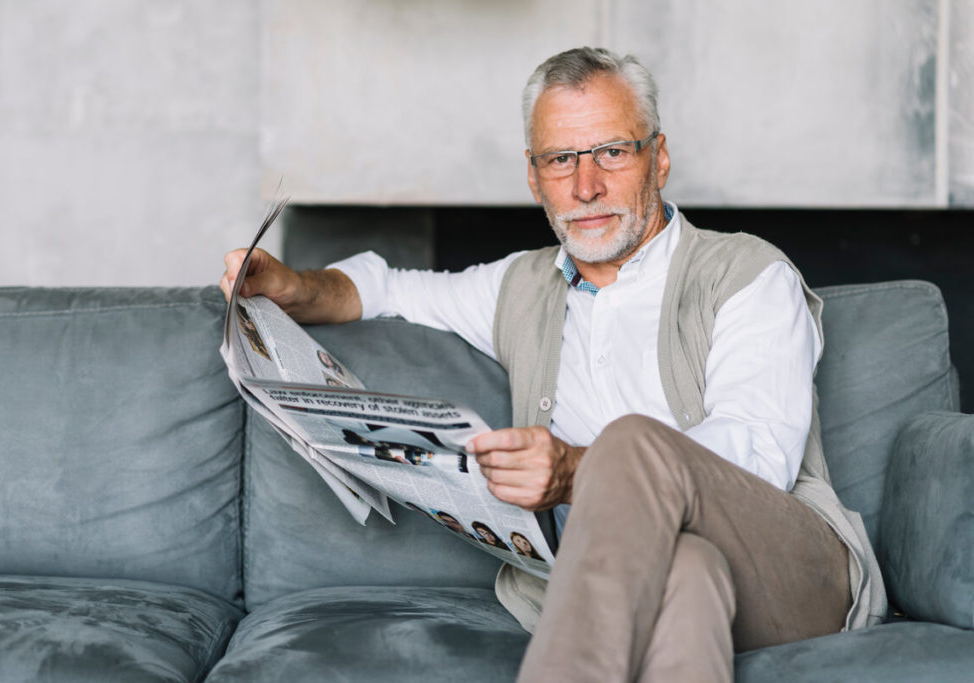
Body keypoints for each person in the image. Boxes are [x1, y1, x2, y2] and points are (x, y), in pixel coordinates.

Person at [222, 47, 886, 682]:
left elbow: (760, 460)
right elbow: (388, 288)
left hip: (792, 573)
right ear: (534, 176)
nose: (586, 185)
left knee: (632, 443)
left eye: (612, 151)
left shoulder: (747, 273)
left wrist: (580, 471)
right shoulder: (520, 285)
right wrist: (296, 287)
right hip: (652, 575)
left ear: (658, 158)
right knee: (685, 571)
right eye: (561, 158)